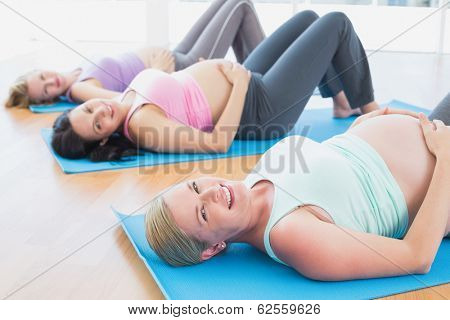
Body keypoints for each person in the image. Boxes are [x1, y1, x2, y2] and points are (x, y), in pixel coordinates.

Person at [144, 96, 450, 281]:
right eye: (203, 213)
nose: (210, 193)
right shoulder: (291, 235)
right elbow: (416, 257)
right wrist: (445, 157)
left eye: (195, 186)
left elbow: (335, 173)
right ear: (212, 248)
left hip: (431, 131)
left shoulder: (253, 181)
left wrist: (360, 128)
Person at [51, 11, 380, 161]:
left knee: (307, 18)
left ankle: (342, 102)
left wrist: (195, 74)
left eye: (89, 107)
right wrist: (237, 84)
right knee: (336, 23)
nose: (100, 109)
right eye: (98, 123)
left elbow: (177, 95)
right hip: (260, 109)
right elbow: (217, 143)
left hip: (247, 80)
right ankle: (372, 114)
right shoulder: (141, 125)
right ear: (106, 137)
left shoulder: (121, 99)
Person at [5, 0, 264, 108]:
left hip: (174, 54)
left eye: (43, 77)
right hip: (177, 67)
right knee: (240, 6)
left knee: (232, 3)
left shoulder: (76, 70)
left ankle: (261, 76)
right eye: (47, 90)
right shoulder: (80, 89)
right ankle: (266, 78)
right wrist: (160, 74)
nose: (52, 82)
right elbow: (127, 101)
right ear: (49, 100)